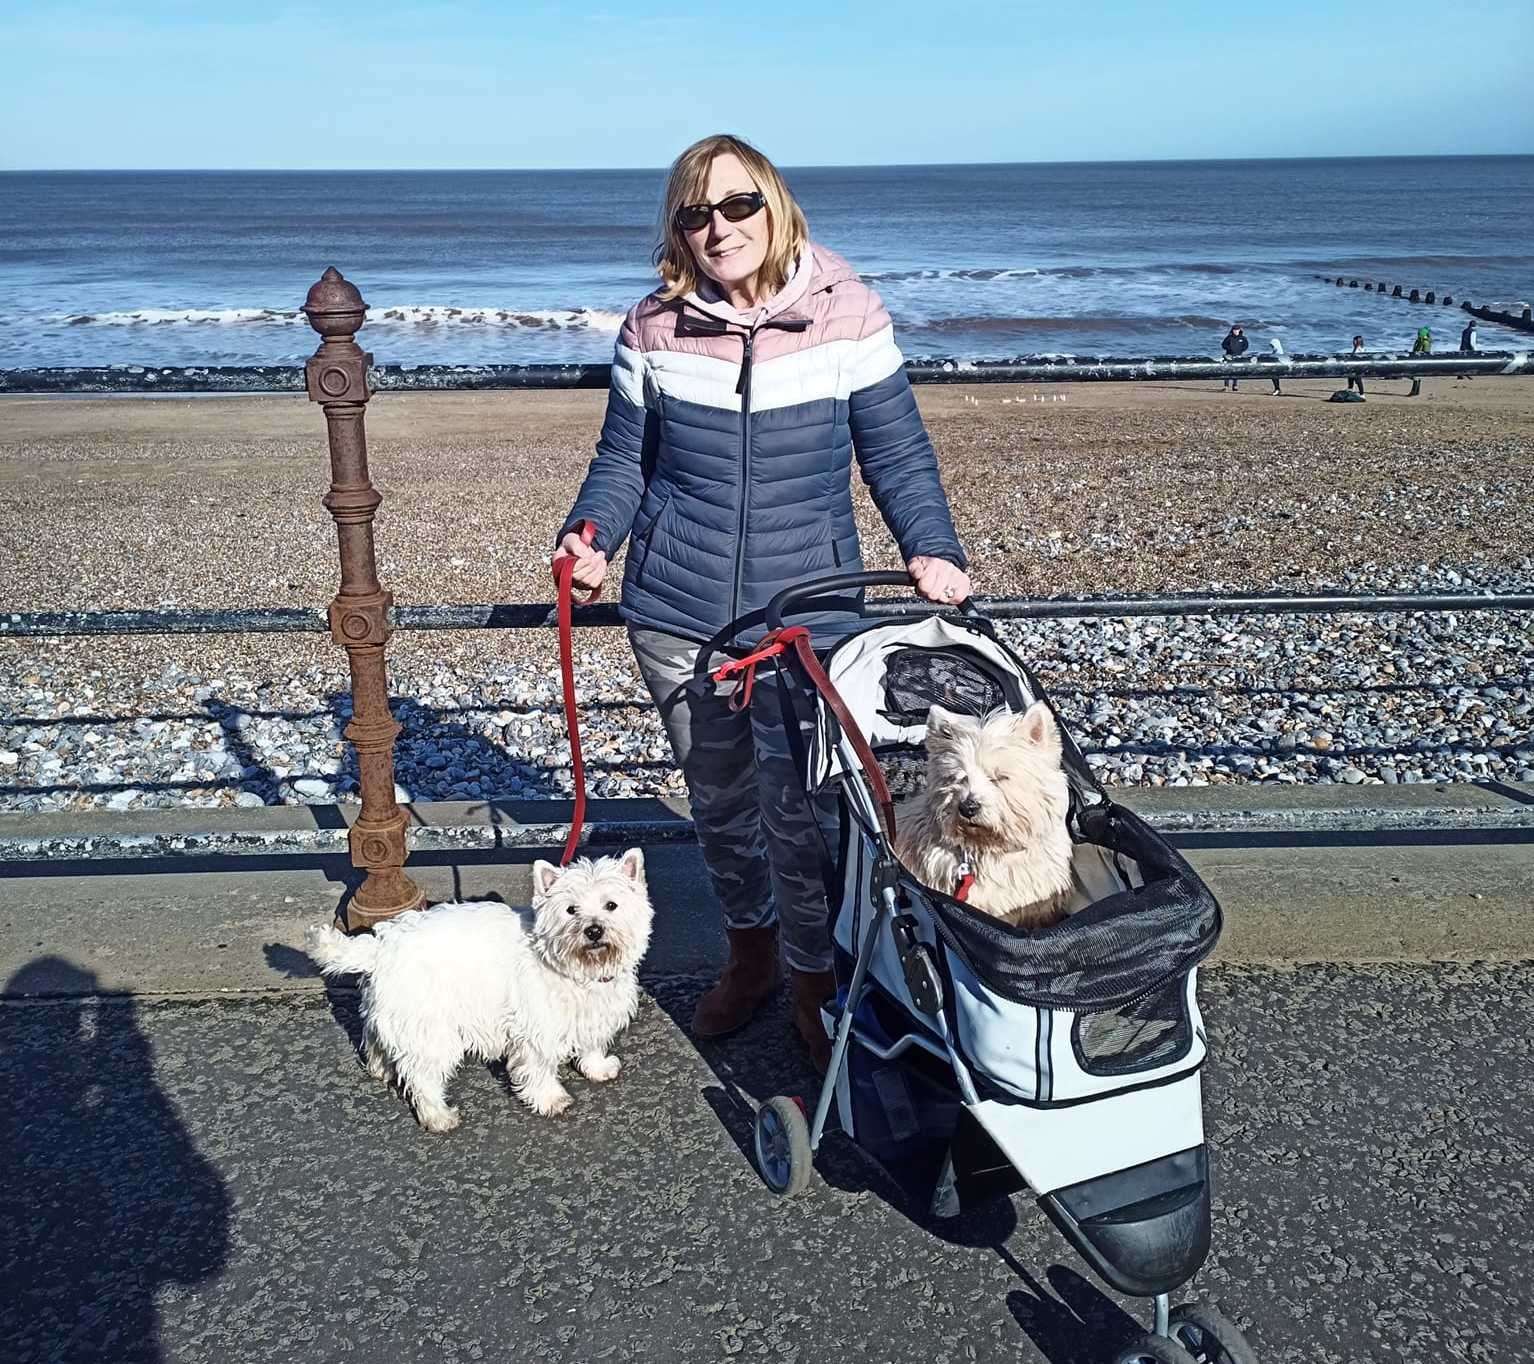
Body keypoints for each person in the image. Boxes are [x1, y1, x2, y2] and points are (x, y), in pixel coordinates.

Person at [552, 134, 970, 1070]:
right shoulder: (653, 327)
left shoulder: (849, 313)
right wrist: (590, 537)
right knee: (723, 802)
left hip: (807, 614)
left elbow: (895, 453)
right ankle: (750, 958)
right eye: (696, 214)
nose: (719, 228)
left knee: (808, 807)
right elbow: (624, 461)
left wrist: (931, 549)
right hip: (678, 607)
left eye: (738, 206)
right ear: (679, 230)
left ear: (775, 207)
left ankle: (815, 977)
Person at [1221, 323, 1249, 389]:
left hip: (1238, 356)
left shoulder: (1243, 338)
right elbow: (1223, 345)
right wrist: (1229, 348)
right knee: (1227, 371)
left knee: (1236, 371)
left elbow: (1246, 345)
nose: (1236, 331)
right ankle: (1226, 386)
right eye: (1234, 330)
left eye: (1237, 330)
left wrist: (1241, 350)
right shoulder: (1229, 337)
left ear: (1239, 330)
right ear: (1232, 330)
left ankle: (1235, 385)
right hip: (1229, 356)